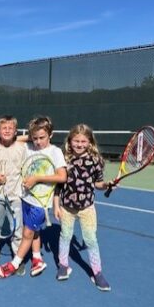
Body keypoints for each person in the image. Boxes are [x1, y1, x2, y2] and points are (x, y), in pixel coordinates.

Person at [0, 116, 67, 279]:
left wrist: (37, 178)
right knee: (33, 231)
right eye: (35, 138)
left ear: (51, 135)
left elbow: (62, 177)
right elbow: (13, 139)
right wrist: (30, 136)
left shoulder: (55, 152)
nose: (38, 141)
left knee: (27, 233)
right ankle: (37, 258)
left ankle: (14, 264)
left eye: (42, 137)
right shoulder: (29, 147)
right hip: (26, 198)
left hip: (40, 203)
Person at [54, 124, 112, 291]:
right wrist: (56, 205)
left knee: (91, 240)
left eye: (83, 141)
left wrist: (107, 185)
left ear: (90, 142)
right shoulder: (64, 158)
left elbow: (98, 183)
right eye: (76, 141)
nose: (79, 144)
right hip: (66, 207)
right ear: (70, 141)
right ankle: (63, 265)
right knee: (65, 236)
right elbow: (59, 184)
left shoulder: (96, 160)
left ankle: (97, 272)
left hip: (87, 208)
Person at [0, 115, 26, 275]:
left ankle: (17, 257)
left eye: (10, 128)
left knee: (17, 228)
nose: (7, 130)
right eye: (4, 128)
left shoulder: (22, 148)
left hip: (16, 196)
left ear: (16, 131)